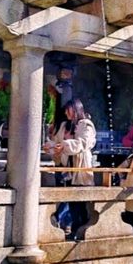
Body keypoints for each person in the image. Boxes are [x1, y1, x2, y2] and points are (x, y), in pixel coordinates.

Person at [45, 99, 97, 240]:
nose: (66, 113)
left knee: (80, 203)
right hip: (65, 168)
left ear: (76, 110)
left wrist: (64, 145)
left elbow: (84, 143)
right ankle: (73, 229)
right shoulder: (64, 125)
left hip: (80, 168)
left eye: (69, 110)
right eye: (66, 110)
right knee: (70, 201)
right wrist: (50, 147)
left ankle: (79, 231)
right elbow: (57, 142)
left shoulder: (86, 125)